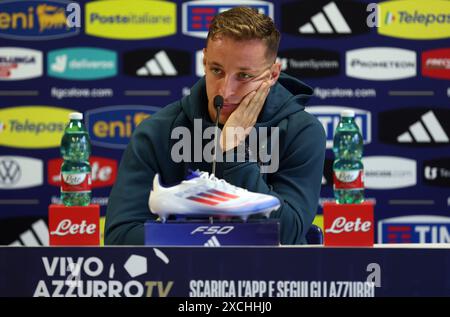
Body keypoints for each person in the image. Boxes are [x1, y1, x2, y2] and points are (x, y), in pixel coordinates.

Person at [105, 7, 326, 245]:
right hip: (181, 278)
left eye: (244, 76)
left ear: (272, 75)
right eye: (217, 70)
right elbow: (120, 237)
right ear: (204, 61)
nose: (225, 91)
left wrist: (233, 153)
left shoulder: (301, 131)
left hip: (268, 278)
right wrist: (209, 237)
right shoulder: (158, 131)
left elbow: (288, 234)